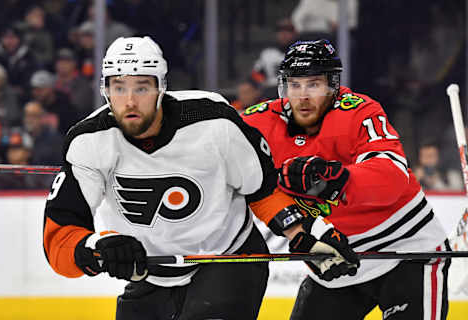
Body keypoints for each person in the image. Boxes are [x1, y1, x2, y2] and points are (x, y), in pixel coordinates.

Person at [42, 36, 359, 320]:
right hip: (152, 276)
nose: (130, 101)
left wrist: (305, 233)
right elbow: (58, 241)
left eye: (142, 87)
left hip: (231, 260)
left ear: (161, 87)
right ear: (105, 90)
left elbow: (261, 189)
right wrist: (96, 247)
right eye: (118, 87)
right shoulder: (88, 141)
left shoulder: (215, 121)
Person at [241, 39, 451, 320]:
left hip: (406, 250)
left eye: (313, 84)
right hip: (335, 259)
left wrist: (336, 178)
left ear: (332, 84)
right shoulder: (260, 123)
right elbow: (232, 166)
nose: (302, 96)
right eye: (295, 84)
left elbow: (394, 175)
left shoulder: (359, 111)